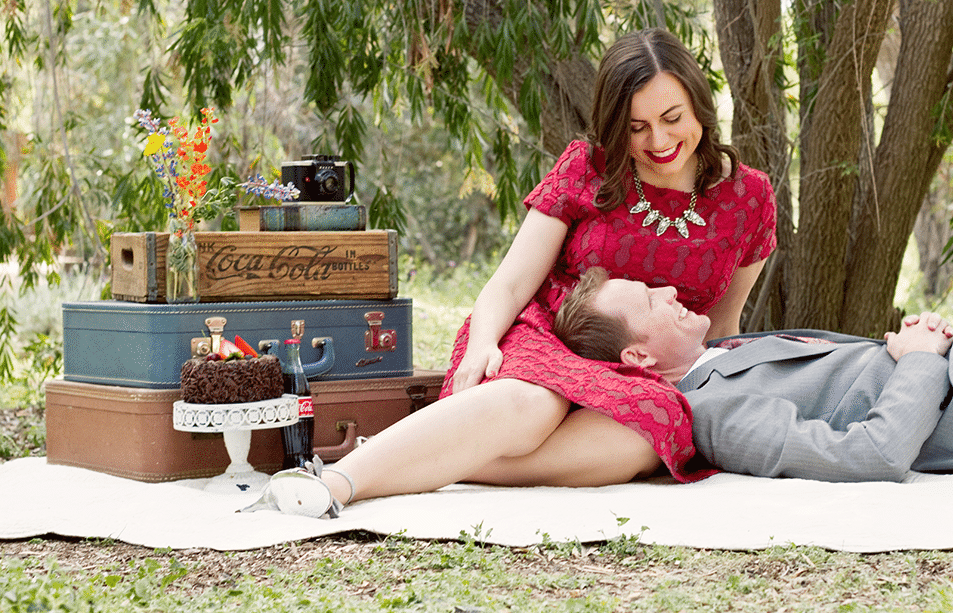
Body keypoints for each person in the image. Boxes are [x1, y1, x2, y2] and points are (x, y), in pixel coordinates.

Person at [241, 28, 776, 517]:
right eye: (637, 127)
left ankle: (439, 455)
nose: (658, 142)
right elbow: (514, 281)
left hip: (646, 362)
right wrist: (483, 344)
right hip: (550, 331)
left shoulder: (749, 197)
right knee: (530, 405)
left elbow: (722, 329)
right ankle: (335, 483)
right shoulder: (588, 166)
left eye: (672, 118)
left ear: (700, 107)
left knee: (642, 437)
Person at [551, 160, 953, 482]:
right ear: (638, 357)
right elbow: (871, 456)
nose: (669, 289)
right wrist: (920, 362)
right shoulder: (712, 413)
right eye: (649, 300)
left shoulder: (726, 354)